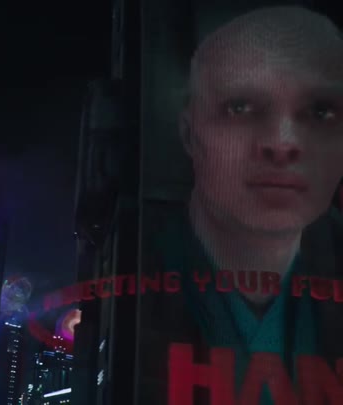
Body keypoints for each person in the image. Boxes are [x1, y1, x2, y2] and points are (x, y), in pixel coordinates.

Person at [138, 6, 343, 404]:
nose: (283, 144)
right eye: (241, 107)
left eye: (320, 112)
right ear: (189, 133)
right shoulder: (139, 257)